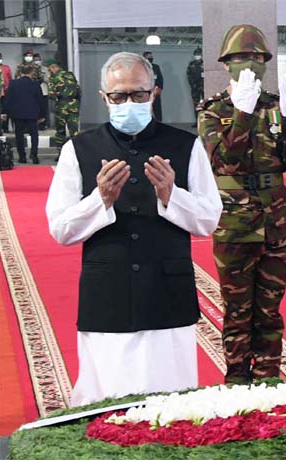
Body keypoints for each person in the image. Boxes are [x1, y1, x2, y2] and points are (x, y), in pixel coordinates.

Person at [45, 52, 222, 406]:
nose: (129, 103)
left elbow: (208, 220)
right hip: (107, 291)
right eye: (119, 96)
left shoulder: (186, 146)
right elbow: (61, 229)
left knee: (171, 403)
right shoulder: (78, 149)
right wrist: (100, 200)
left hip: (166, 291)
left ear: (154, 93)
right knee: (106, 401)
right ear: (104, 97)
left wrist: (172, 195)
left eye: (138, 94)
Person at [197, 24, 286, 384]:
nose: (250, 63)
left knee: (270, 311)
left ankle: (268, 381)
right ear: (226, 64)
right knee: (237, 310)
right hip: (235, 224)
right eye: (241, 57)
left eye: (257, 57)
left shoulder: (275, 106)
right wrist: (242, 114)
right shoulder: (213, 111)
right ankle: (236, 381)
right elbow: (224, 161)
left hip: (277, 222)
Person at [2, 66, 45, 163]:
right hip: (32, 113)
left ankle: (22, 157)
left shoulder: (13, 83)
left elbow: (8, 99)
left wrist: (4, 112)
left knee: (19, 135)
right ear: (31, 73)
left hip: (17, 113)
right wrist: (42, 115)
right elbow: (41, 100)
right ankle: (34, 155)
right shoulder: (35, 84)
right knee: (34, 134)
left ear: (21, 73)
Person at [45, 59, 81, 148]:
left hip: (61, 107)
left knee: (60, 131)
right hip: (74, 106)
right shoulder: (70, 74)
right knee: (74, 130)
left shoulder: (53, 78)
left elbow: (51, 94)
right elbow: (78, 90)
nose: (49, 71)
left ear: (52, 67)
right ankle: (77, 150)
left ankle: (60, 150)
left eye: (49, 68)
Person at [143, 51, 164, 120]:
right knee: (146, 109)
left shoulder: (156, 67)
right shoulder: (141, 67)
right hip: (145, 92)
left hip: (155, 91)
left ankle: (159, 123)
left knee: (157, 108)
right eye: (149, 57)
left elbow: (160, 78)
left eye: (151, 57)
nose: (151, 58)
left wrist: (160, 88)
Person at [187, 47, 204, 128]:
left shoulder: (205, 63)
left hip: (204, 87)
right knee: (196, 105)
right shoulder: (191, 64)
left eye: (199, 54)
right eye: (196, 54)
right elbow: (188, 75)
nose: (197, 55)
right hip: (195, 88)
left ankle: (205, 122)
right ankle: (197, 121)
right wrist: (192, 85)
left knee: (206, 104)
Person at [34, 53, 49, 129]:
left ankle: (43, 125)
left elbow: (49, 79)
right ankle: (34, 124)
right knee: (34, 109)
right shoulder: (31, 69)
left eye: (38, 60)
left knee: (43, 109)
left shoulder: (45, 69)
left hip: (43, 91)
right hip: (34, 92)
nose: (37, 61)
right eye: (35, 60)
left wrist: (43, 78)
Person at [0, 53, 10, 133]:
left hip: (5, 92)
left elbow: (10, 79)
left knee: (5, 110)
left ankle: (5, 127)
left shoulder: (6, 67)